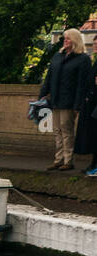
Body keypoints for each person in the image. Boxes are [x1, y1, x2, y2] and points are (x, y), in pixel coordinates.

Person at [40, 27, 90, 171]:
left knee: (66, 130)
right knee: (57, 130)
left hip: (69, 101)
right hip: (55, 99)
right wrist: (43, 94)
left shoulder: (83, 59)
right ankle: (58, 159)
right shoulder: (57, 56)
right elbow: (49, 77)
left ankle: (68, 160)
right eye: (64, 38)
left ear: (75, 40)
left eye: (68, 38)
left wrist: (77, 104)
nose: (65, 41)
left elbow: (82, 84)